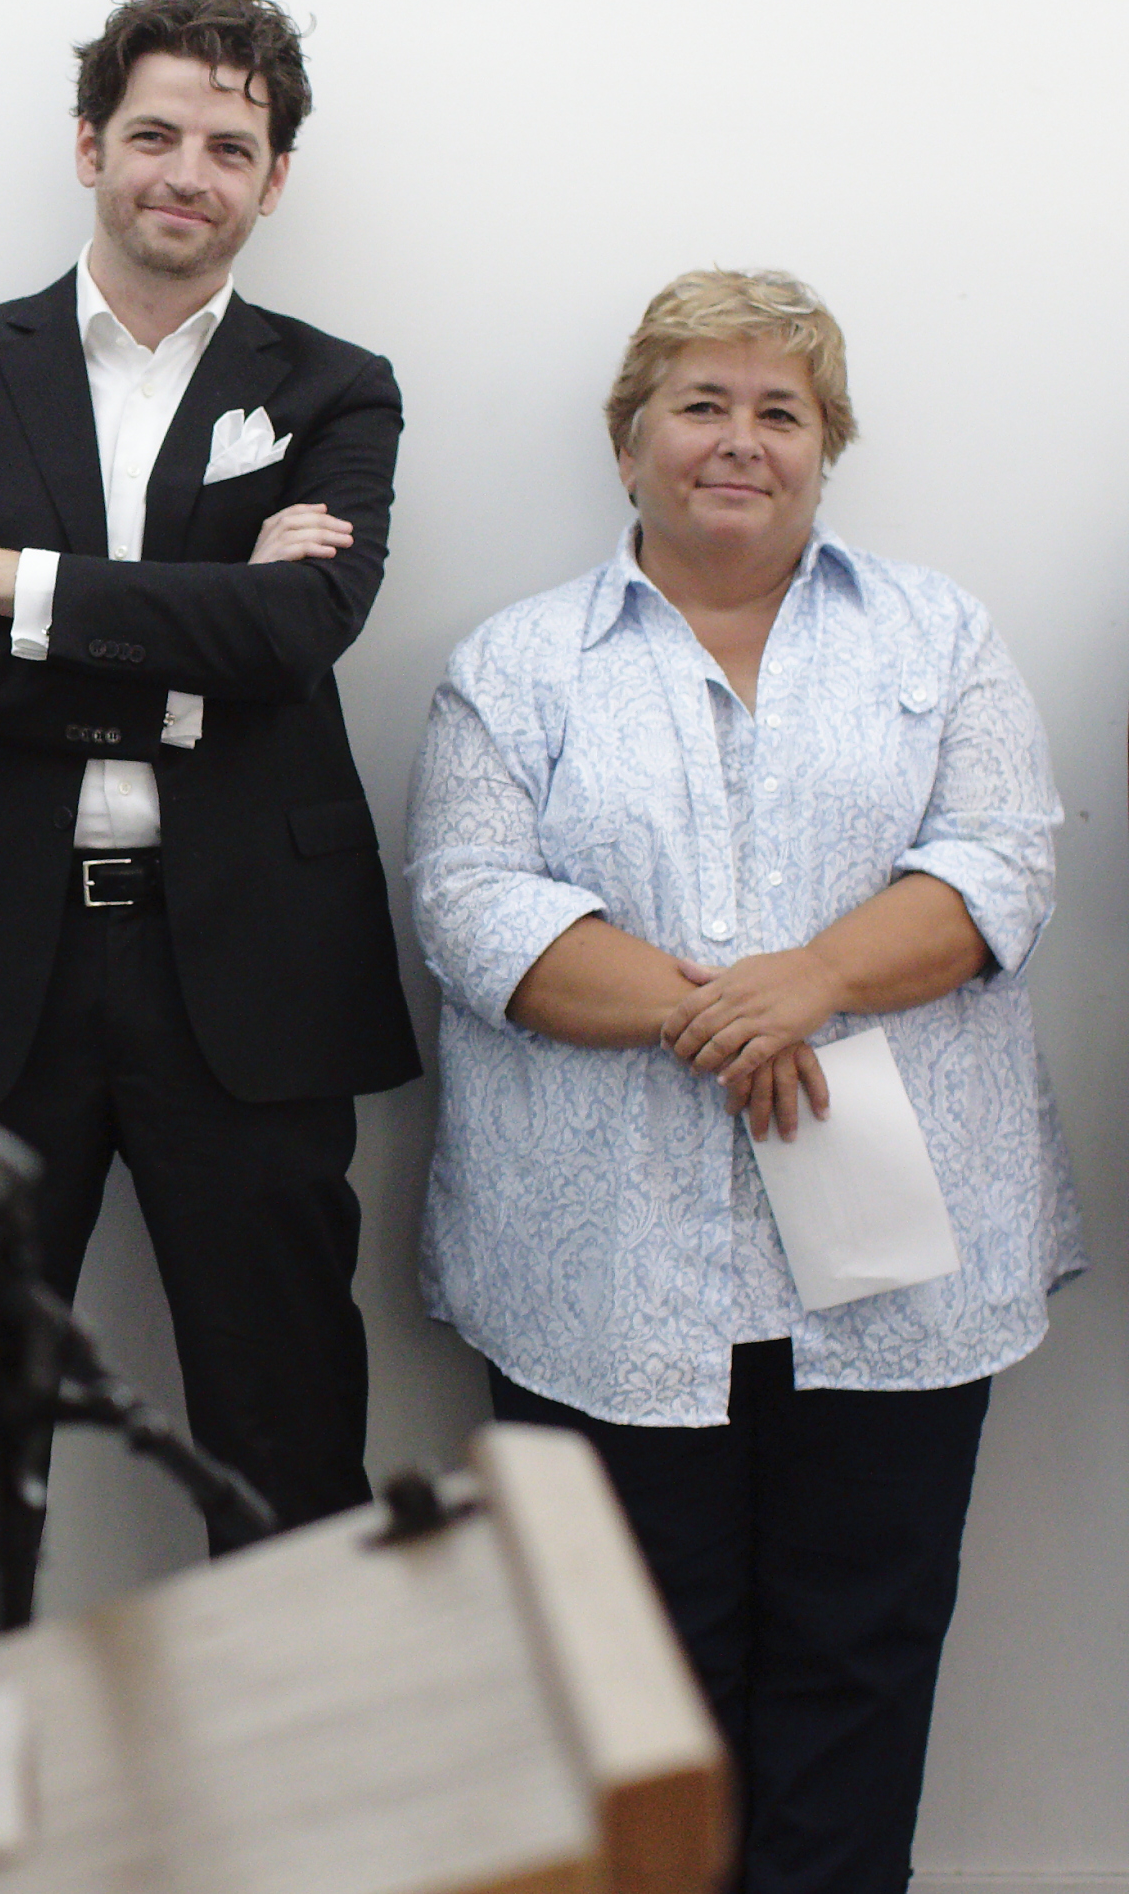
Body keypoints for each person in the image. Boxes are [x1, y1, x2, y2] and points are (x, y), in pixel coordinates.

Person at [408, 269, 1078, 1894]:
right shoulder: (517, 663)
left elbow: (1004, 857)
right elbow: (470, 903)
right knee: (636, 1681)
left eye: (781, 410)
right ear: (628, 439)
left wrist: (817, 979)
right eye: (700, 403)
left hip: (901, 1270)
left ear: (825, 447)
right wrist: (725, 1013)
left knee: (864, 1652)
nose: (738, 439)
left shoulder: (940, 634)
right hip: (604, 1272)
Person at [0, 0, 418, 1673]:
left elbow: (299, 632)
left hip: (247, 972)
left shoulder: (339, 388)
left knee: (286, 1435)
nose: (188, 172)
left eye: (230, 146)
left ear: (275, 179)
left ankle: (302, 1800)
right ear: (89, 146)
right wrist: (184, 660)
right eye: (155, 133)